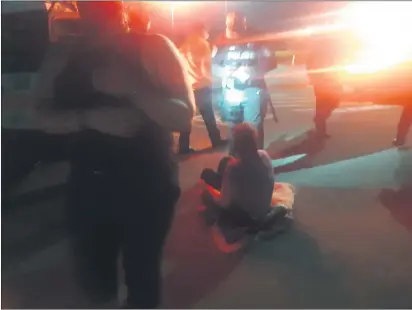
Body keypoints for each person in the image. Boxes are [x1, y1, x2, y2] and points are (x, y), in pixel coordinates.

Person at [33, 1, 195, 308]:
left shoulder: (153, 47)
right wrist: (87, 118)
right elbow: (40, 115)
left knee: (142, 275)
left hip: (148, 183)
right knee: (93, 279)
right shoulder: (63, 54)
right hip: (88, 183)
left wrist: (134, 89)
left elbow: (184, 116)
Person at [200, 123, 294, 246]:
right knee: (225, 161)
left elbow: (224, 202)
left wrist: (211, 194)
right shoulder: (264, 155)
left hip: (244, 215)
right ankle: (221, 181)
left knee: (206, 184)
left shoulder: (234, 169)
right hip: (261, 206)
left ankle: (214, 192)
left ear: (236, 146)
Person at [212, 11, 278, 152]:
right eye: (231, 29)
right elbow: (212, 66)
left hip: (252, 91)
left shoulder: (256, 42)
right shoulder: (220, 44)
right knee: (234, 129)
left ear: (244, 25)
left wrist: (252, 72)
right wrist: (224, 72)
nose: (234, 34)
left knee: (253, 129)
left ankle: (256, 159)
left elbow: (272, 61)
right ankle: (235, 160)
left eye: (237, 29)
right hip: (231, 92)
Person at [178, 22, 226, 154]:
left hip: (188, 87)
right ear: (201, 30)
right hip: (202, 86)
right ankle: (216, 141)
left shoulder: (185, 45)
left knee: (187, 117)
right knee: (208, 116)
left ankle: (183, 147)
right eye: (207, 31)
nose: (208, 34)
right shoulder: (203, 44)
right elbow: (205, 65)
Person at [306, 34, 342, 138]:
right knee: (323, 106)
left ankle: (319, 122)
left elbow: (336, 68)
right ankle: (321, 131)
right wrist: (314, 80)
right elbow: (310, 69)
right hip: (321, 85)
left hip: (331, 83)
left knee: (333, 103)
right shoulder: (314, 55)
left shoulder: (331, 55)